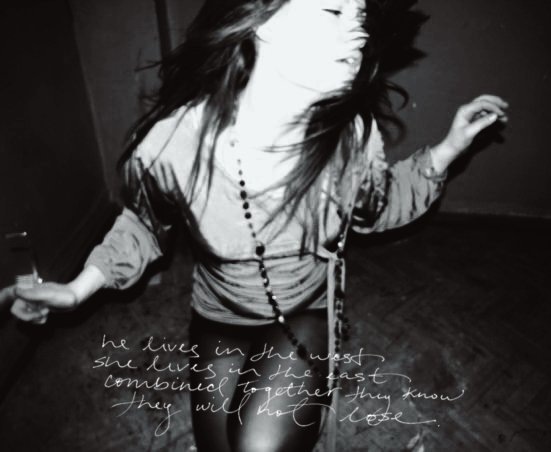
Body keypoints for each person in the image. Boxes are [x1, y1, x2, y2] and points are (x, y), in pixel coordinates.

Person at [0, 0, 508, 450]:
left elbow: (379, 206)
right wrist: (76, 291)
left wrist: (449, 149)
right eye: (333, 10)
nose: (357, 31)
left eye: (360, 17)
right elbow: (145, 225)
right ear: (260, 19)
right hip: (217, 316)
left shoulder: (351, 137)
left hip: (303, 311)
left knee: (258, 447)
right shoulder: (173, 144)